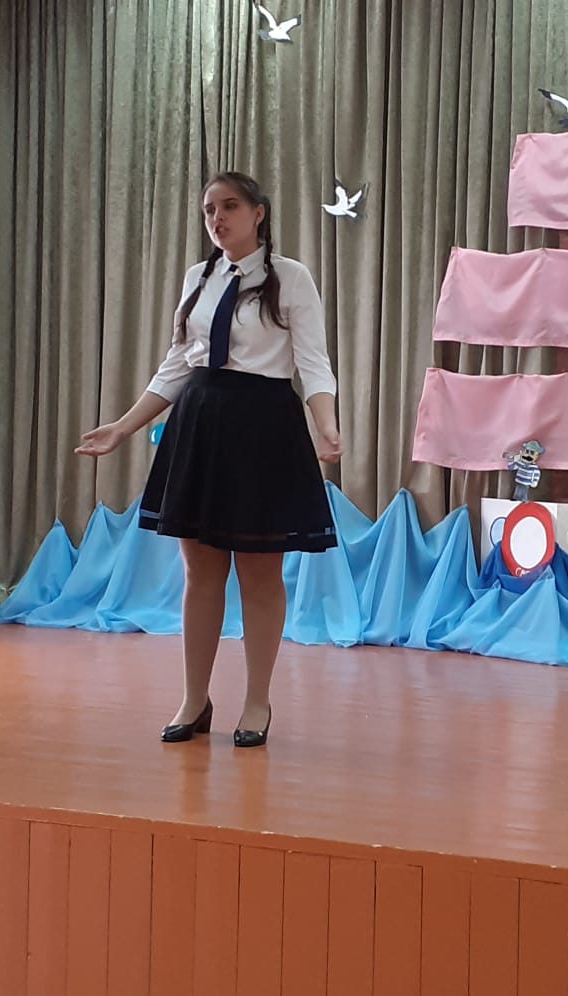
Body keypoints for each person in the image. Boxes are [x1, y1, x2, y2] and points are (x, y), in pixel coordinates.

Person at [76, 171, 341, 747]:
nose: (217, 219)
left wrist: (326, 425)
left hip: (263, 427)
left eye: (229, 207)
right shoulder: (198, 277)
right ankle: (194, 699)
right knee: (199, 571)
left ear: (258, 213)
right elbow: (177, 364)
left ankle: (257, 702)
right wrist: (122, 427)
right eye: (208, 210)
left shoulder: (291, 277)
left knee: (260, 572)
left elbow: (313, 362)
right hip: (199, 423)